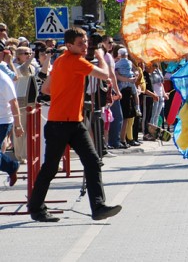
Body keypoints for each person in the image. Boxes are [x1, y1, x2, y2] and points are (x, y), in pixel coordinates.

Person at [28, 27, 122, 222]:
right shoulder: (76, 61)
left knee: (92, 161)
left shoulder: (61, 59)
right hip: (60, 124)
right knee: (51, 167)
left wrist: (65, 95)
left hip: (73, 122)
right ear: (69, 45)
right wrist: (100, 54)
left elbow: (46, 88)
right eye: (80, 43)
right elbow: (105, 75)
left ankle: (98, 207)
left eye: (86, 41)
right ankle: (36, 208)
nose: (85, 45)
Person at [0, 69, 23, 186]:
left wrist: (18, 125)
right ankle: (11, 166)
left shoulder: (3, 79)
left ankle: (11, 166)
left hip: (2, 121)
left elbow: (14, 102)